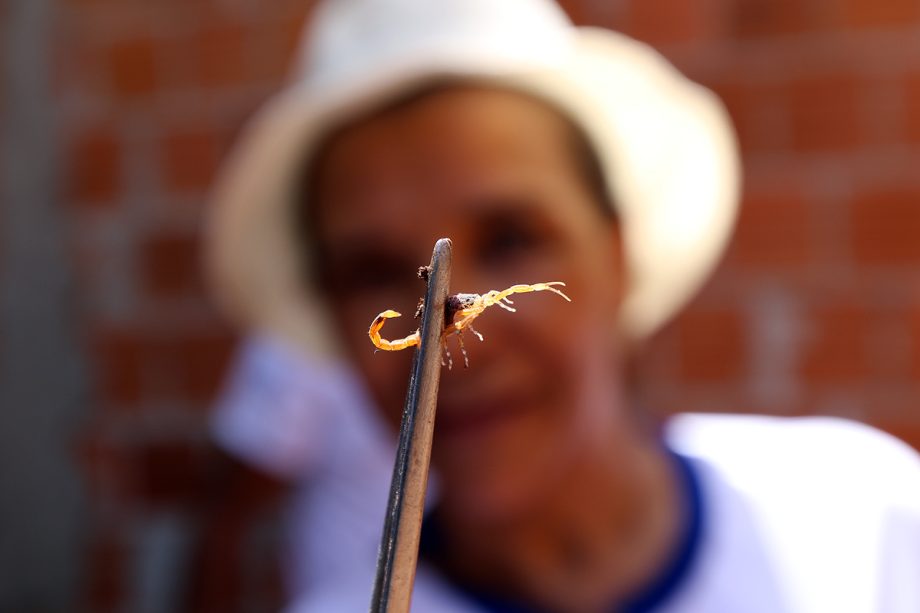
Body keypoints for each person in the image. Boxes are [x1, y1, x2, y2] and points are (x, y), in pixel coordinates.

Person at [205, 0, 920, 611]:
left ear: (616, 253)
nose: (463, 344)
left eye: (513, 240)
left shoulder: (864, 523)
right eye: (373, 271)